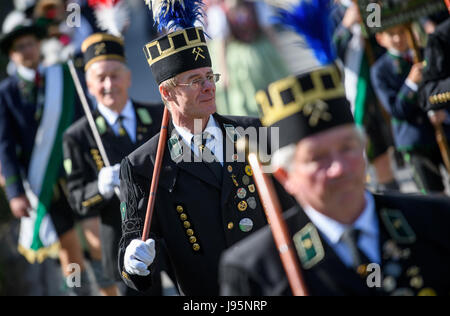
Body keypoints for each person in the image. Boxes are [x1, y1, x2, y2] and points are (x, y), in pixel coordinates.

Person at [219, 63, 450, 296]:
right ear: (285, 176)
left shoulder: (435, 221)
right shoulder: (256, 269)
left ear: (364, 150)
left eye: (347, 148)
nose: (338, 168)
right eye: (317, 158)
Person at [117, 2, 294, 295]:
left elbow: (291, 206)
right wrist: (132, 261)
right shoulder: (142, 166)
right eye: (195, 81)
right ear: (167, 92)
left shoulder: (254, 131)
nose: (209, 87)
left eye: (210, 77)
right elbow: (133, 239)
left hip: (273, 286)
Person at [0, 15, 97, 296]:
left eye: (31, 44)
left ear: (39, 45)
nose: (27, 51)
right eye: (20, 47)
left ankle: (108, 289)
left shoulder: (63, 77)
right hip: (45, 182)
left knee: (96, 238)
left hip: (79, 172)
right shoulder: (6, 93)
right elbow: (4, 145)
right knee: (68, 246)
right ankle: (80, 292)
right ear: (12, 54)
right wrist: (15, 193)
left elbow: (85, 121)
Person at [63, 33, 164, 296]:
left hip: (170, 232)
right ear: (88, 85)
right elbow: (76, 199)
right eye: (100, 78)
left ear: (128, 77)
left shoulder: (157, 117)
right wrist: (100, 187)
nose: (109, 84)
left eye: (115, 75)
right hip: (122, 243)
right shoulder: (78, 136)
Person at [371, 24, 450, 194]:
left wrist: (445, 114)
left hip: (444, 129)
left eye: (401, 32)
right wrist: (411, 83)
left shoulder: (428, 52)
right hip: (415, 140)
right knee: (433, 195)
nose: (398, 38)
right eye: (391, 34)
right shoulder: (380, 70)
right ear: (380, 38)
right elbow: (395, 110)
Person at [331, 0, 399, 192]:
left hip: (384, 80)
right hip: (359, 88)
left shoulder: (372, 4)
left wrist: (373, 18)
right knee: (376, 150)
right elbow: (329, 53)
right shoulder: (334, 12)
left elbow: (384, 35)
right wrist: (346, 25)